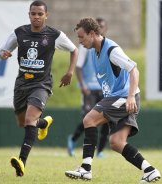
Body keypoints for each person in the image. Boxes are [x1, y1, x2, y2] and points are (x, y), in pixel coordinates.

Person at [65, 18, 161, 183]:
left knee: (89, 119)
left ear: (93, 34)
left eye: (82, 37)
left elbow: (134, 70)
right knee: (116, 142)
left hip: (124, 97)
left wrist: (130, 96)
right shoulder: (95, 52)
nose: (79, 41)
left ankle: (85, 169)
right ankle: (150, 170)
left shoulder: (111, 50)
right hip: (119, 97)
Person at [0, 0, 78, 177]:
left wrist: (70, 72)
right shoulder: (19, 32)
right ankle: (43, 123)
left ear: (46, 15)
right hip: (21, 84)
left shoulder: (54, 35)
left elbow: (74, 50)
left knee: (29, 119)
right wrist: (4, 54)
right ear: (29, 14)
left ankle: (22, 162)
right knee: (23, 122)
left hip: (41, 84)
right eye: (33, 14)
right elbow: (4, 50)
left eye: (40, 14)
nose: (36, 17)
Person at [67, 17, 109, 158]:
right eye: (99, 26)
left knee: (107, 119)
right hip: (89, 88)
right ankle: (73, 139)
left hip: (104, 89)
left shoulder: (108, 46)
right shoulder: (85, 45)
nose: (101, 28)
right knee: (88, 119)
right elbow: (78, 67)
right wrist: (83, 85)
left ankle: (100, 151)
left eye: (103, 26)